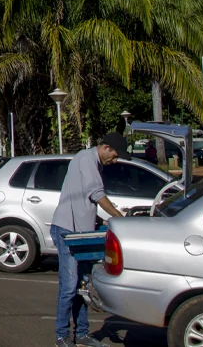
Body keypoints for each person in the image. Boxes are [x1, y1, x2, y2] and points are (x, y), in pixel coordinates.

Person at [49, 132, 128, 347]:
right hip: (67, 231)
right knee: (69, 286)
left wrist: (101, 221)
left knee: (82, 285)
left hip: (80, 233)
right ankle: (61, 336)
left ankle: (82, 334)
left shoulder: (93, 163)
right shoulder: (86, 159)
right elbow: (97, 194)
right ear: (106, 148)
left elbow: (87, 203)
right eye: (115, 156)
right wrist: (119, 218)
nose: (115, 160)